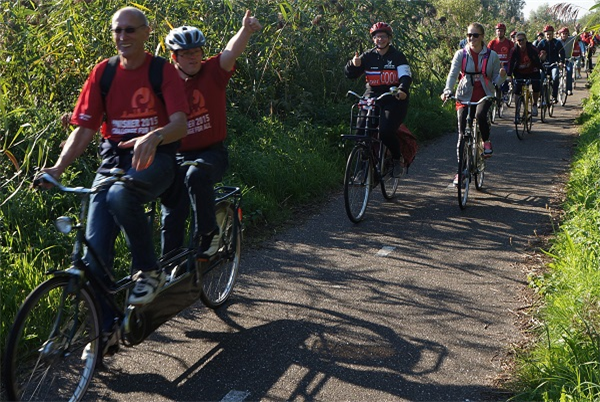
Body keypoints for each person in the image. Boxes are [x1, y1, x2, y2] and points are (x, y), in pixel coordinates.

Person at [40, 7, 189, 352]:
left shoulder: (161, 71)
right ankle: (106, 330)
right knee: (93, 257)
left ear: (146, 33)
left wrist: (154, 136)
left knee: (121, 196)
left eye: (130, 31)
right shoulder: (103, 74)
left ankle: (148, 271)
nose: (123, 37)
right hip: (113, 164)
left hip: (158, 160)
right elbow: (85, 130)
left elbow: (180, 124)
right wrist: (58, 169)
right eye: (117, 31)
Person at [161, 11, 262, 257]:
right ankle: (170, 264)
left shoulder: (212, 72)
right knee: (172, 208)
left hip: (211, 152)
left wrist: (246, 30)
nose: (193, 58)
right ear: (175, 57)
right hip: (177, 153)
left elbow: (230, 51)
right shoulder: (165, 82)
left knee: (197, 175)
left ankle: (209, 233)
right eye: (186, 54)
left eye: (196, 52)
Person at [344, 22, 412, 178]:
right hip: (372, 97)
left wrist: (402, 90)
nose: (380, 39)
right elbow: (350, 74)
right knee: (360, 133)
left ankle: (396, 158)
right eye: (376, 37)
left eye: (383, 36)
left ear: (389, 38)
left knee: (386, 132)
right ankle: (362, 167)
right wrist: (353, 65)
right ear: (373, 39)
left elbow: (405, 76)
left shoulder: (397, 56)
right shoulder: (367, 56)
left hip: (393, 98)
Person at [441, 22, 506, 185]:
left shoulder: (492, 56)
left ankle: (486, 141)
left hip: (484, 94)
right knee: (462, 134)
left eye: (475, 35)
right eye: (469, 35)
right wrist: (447, 90)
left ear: (482, 36)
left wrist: (503, 76)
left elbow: (496, 80)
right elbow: (452, 74)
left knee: (480, 114)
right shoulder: (460, 54)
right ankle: (460, 171)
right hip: (464, 95)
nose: (471, 38)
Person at [508, 32, 542, 117]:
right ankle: (517, 111)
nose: (521, 42)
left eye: (522, 40)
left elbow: (538, 59)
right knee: (517, 90)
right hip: (519, 72)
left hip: (532, 71)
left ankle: (534, 104)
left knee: (536, 85)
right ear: (516, 41)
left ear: (526, 40)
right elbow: (510, 63)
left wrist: (542, 67)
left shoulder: (532, 48)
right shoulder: (514, 50)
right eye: (519, 40)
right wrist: (509, 75)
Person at [536, 25, 565, 103]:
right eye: (547, 34)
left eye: (550, 34)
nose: (548, 35)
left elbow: (562, 53)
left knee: (555, 77)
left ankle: (554, 96)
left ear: (553, 34)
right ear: (545, 34)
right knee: (539, 79)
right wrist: (539, 59)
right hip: (543, 66)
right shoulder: (542, 43)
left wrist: (561, 62)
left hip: (554, 64)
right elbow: (536, 54)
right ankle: (539, 97)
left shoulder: (557, 42)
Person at [487, 23, 513, 101]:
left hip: (505, 64)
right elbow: (487, 54)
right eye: (498, 31)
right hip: (495, 64)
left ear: (504, 32)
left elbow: (513, 54)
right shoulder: (492, 43)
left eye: (501, 31)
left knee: (504, 73)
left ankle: (505, 93)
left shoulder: (509, 43)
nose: (499, 33)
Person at [557, 27, 584, 95]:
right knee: (555, 73)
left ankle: (569, 89)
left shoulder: (571, 39)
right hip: (559, 60)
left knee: (569, 71)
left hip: (568, 59)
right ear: (560, 34)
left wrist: (577, 30)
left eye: (566, 33)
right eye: (563, 33)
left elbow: (577, 38)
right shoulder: (557, 41)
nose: (564, 35)